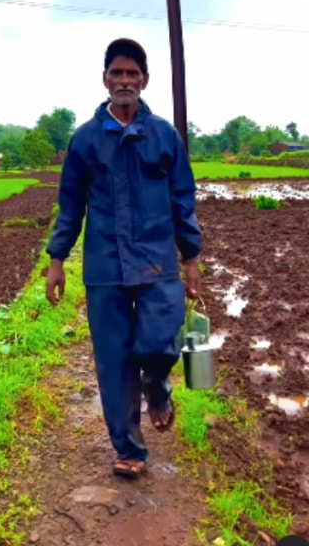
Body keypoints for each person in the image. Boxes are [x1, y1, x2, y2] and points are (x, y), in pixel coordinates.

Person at [44, 38, 202, 480]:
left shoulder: (165, 136)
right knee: (113, 360)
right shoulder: (86, 140)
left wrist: (191, 258)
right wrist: (57, 260)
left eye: (133, 73)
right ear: (105, 80)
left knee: (158, 344)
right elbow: (71, 204)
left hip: (157, 262)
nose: (125, 81)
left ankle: (156, 383)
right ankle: (129, 448)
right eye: (118, 73)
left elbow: (182, 200)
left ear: (145, 81)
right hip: (105, 264)